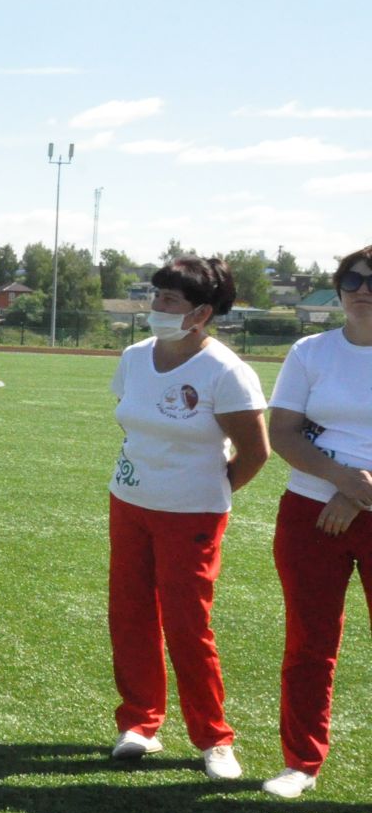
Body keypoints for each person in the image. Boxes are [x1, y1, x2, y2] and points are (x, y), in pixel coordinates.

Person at [103, 256, 268, 779]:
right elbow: (133, 424)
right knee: (130, 614)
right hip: (129, 503)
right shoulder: (133, 357)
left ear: (201, 313)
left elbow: (255, 452)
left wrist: (206, 491)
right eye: (156, 296)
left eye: (169, 300)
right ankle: (140, 724)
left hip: (192, 514)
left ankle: (214, 740)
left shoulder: (226, 371)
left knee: (187, 623)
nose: (157, 307)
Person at [260, 243, 372, 800]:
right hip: (309, 511)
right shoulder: (311, 351)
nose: (362, 290)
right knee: (310, 642)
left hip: (353, 505)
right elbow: (282, 432)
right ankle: (300, 762)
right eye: (352, 278)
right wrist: (342, 480)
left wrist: (356, 494)